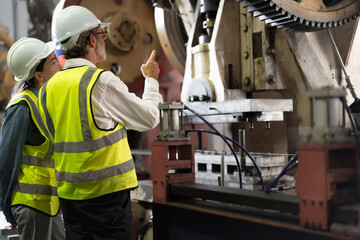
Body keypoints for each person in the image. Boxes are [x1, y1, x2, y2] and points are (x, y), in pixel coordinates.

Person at [38, 5, 163, 240]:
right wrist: (151, 81)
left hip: (70, 199)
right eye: (101, 34)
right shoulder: (100, 82)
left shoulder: (48, 88)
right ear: (92, 41)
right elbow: (148, 117)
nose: (104, 39)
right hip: (106, 200)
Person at [0, 37, 65, 240]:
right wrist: (7, 209)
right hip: (32, 203)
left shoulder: (46, 99)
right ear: (38, 74)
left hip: (50, 203)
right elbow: (6, 161)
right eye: (53, 62)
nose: (59, 66)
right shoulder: (22, 106)